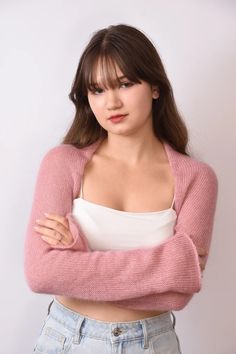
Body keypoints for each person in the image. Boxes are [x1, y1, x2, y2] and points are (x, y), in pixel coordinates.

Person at [24, 24, 218, 353]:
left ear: (155, 87)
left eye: (125, 84)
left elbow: (180, 293)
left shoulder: (197, 178)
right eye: (97, 90)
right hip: (69, 339)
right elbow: (41, 273)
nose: (111, 102)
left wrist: (77, 256)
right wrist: (168, 265)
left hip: (153, 343)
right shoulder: (63, 163)